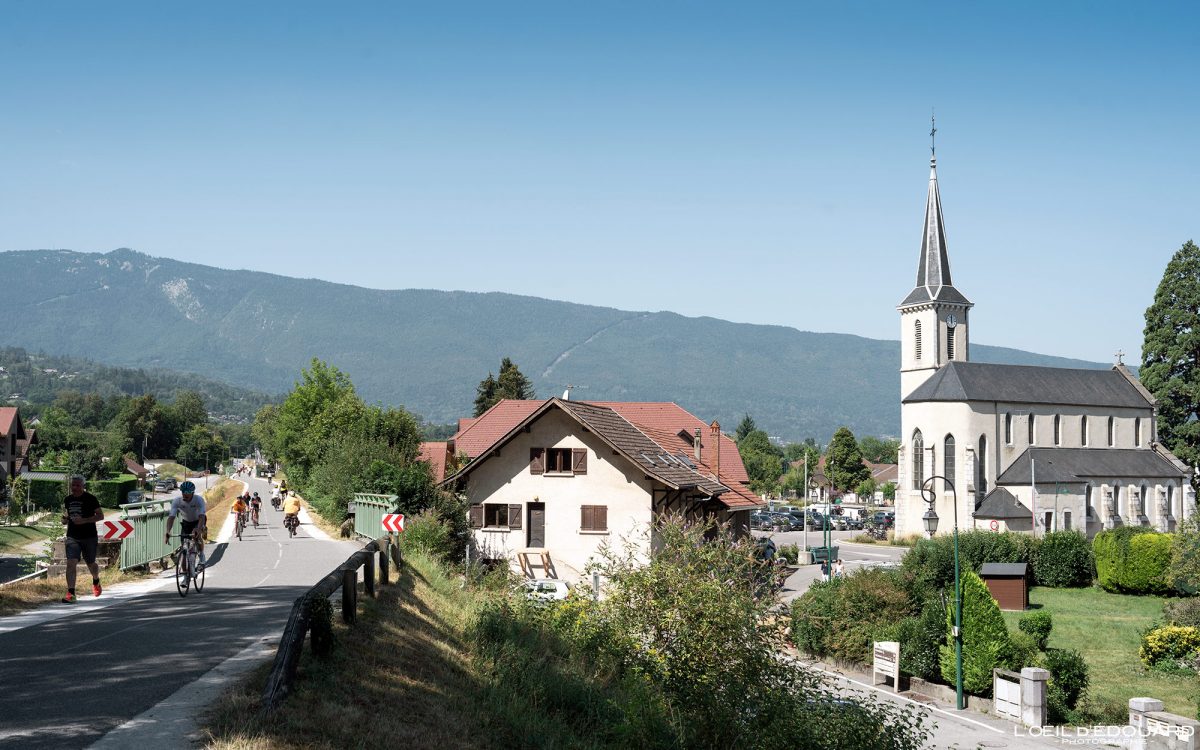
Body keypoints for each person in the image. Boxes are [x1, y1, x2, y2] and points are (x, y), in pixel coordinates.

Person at [61, 475, 104, 603]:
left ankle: (96, 579)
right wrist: (64, 520)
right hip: (72, 536)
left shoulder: (90, 499)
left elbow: (101, 516)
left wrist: (84, 521)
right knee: (71, 563)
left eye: (78, 485)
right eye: (73, 485)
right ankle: (71, 593)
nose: (74, 488)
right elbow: (67, 515)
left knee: (91, 563)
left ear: (83, 486)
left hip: (89, 536)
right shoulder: (67, 499)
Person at [164, 481, 208, 568]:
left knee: (197, 536)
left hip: (198, 520)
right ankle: (185, 573)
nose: (185, 494)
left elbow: (202, 516)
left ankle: (201, 555)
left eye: (187, 492)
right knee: (184, 544)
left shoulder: (198, 500)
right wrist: (168, 531)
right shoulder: (177, 501)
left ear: (192, 492)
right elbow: (171, 517)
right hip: (186, 522)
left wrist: (198, 529)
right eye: (183, 492)